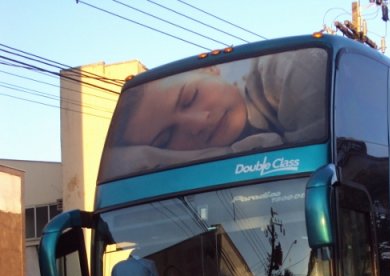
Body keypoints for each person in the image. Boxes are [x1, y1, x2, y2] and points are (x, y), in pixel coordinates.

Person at [99, 48, 327, 180]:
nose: (197, 123)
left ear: (209, 69)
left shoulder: (288, 68)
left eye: (190, 98)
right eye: (166, 138)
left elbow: (311, 177)